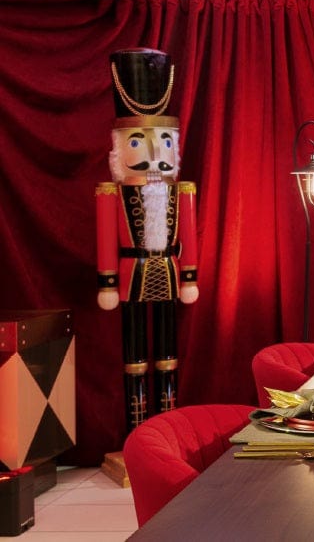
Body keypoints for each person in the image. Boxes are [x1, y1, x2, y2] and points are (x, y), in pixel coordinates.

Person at [95, 48, 198, 432]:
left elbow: (188, 232)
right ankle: (138, 434)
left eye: (164, 143)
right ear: (118, 149)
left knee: (168, 356)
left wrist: (189, 276)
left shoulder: (181, 190)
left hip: (168, 271)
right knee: (135, 359)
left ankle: (167, 429)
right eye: (138, 143)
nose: (155, 154)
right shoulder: (111, 193)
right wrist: (107, 280)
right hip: (129, 272)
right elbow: (106, 237)